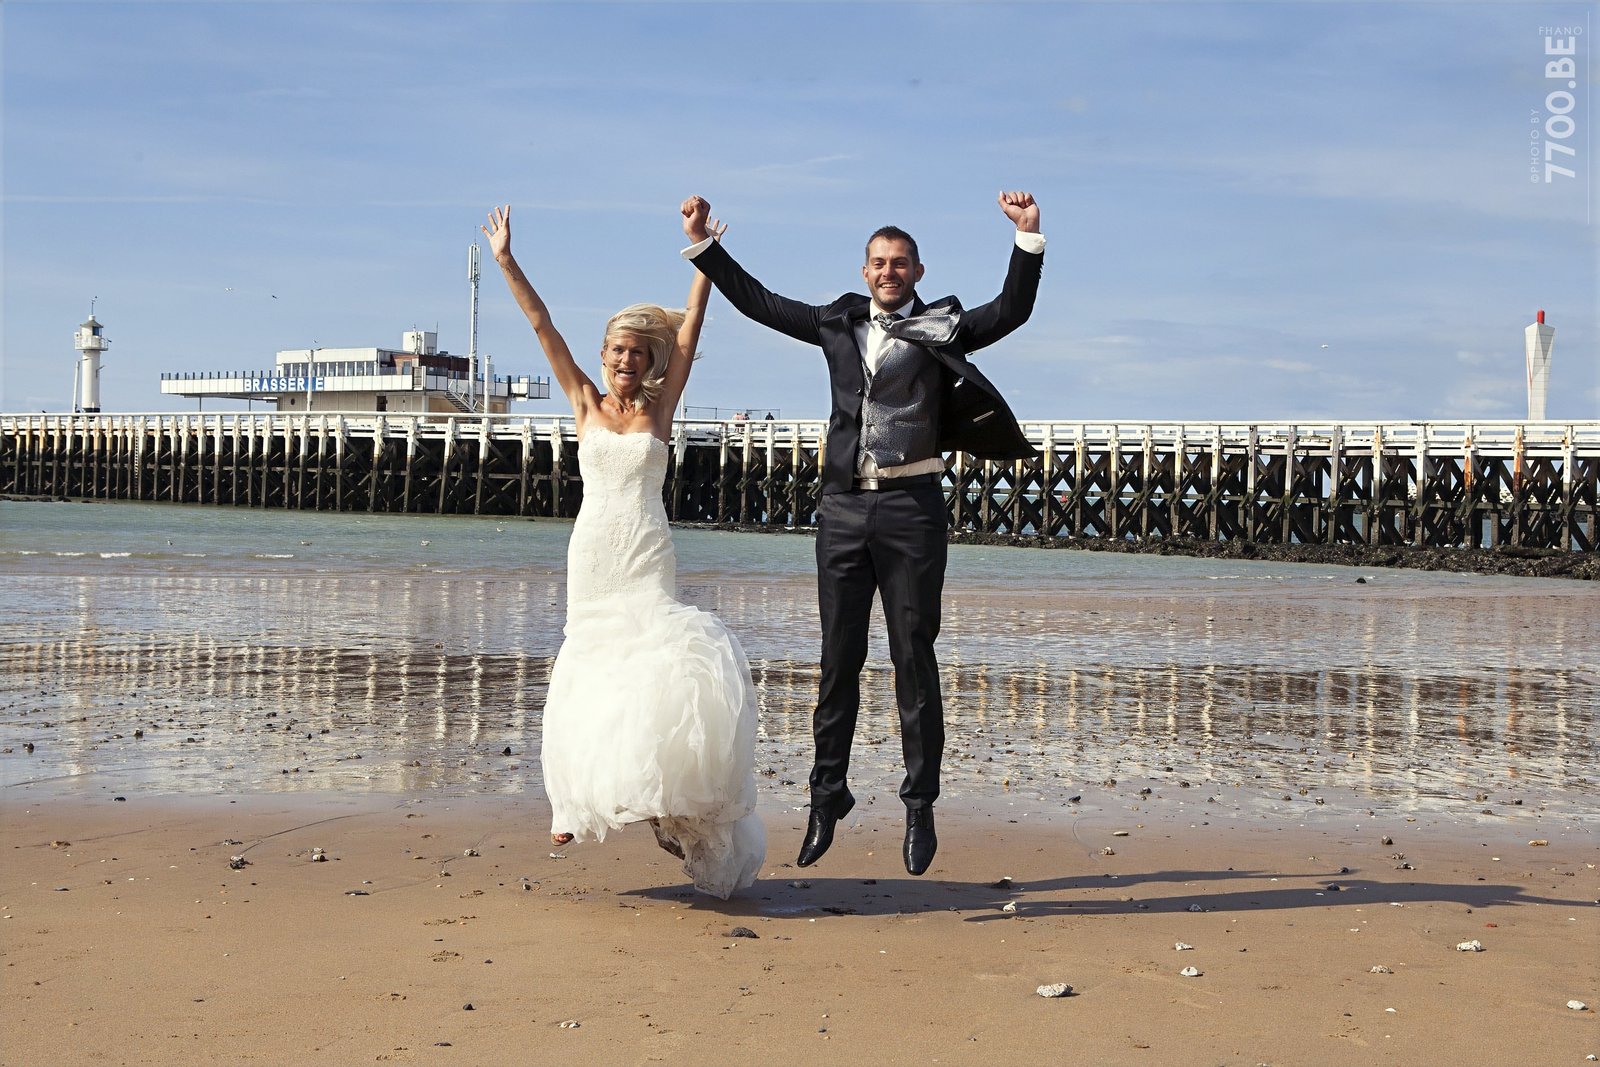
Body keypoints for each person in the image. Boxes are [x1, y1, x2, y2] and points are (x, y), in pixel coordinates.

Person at [680, 192, 1044, 876]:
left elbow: (1013, 310)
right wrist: (704, 245)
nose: (888, 271)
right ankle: (827, 795)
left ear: (917, 270)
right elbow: (759, 301)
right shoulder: (836, 322)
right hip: (843, 509)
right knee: (837, 660)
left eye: (900, 262)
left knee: (914, 660)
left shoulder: (946, 326)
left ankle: (919, 804)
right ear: (865, 268)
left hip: (912, 507)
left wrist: (1027, 237)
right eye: (878, 262)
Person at [482, 203, 764, 899]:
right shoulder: (581, 400)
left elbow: (693, 335)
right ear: (604, 354)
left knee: (658, 663)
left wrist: (701, 255)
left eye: (639, 352)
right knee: (590, 665)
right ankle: (572, 804)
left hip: (645, 550)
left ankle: (661, 791)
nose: (627, 361)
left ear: (649, 360)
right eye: (617, 351)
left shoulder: (659, 411)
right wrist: (507, 261)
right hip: (593, 557)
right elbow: (541, 325)